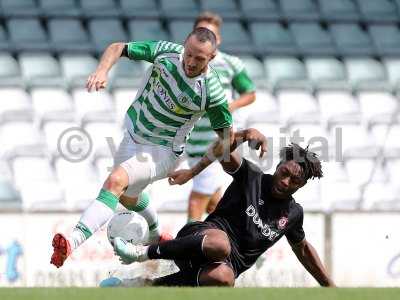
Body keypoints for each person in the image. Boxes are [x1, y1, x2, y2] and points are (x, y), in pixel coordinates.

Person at [50, 27, 241, 268]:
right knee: (129, 198)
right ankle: (156, 234)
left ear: (211, 58)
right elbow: (118, 47)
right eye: (189, 54)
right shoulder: (166, 53)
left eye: (199, 58)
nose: (190, 62)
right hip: (133, 135)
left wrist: (192, 172)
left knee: (115, 182)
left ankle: (70, 242)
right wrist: (102, 71)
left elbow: (226, 140)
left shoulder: (212, 92)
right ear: (184, 45)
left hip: (163, 150)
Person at [111, 136, 336, 287]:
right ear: (278, 166)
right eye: (284, 172)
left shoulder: (293, 214)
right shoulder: (251, 176)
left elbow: (304, 250)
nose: (285, 181)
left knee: (225, 279)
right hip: (199, 239)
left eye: (294, 180)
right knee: (220, 244)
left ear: (302, 185)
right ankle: (140, 252)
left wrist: (330, 288)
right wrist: (245, 134)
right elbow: (221, 149)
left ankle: (143, 286)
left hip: (219, 267)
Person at [186, 12, 256, 222]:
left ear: (218, 40)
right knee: (215, 203)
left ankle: (186, 251)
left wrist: (229, 106)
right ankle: (244, 242)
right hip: (190, 141)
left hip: (216, 140)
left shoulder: (231, 63)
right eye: (202, 33)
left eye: (211, 35)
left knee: (197, 200)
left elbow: (250, 93)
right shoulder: (185, 61)